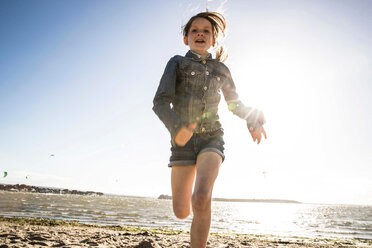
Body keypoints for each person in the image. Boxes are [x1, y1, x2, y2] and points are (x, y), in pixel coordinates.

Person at [152, 11, 266, 248]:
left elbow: (234, 104)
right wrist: (177, 128)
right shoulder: (176, 63)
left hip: (212, 139)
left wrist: (252, 118)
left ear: (214, 39)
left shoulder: (221, 69)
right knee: (182, 211)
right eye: (194, 30)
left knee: (201, 198)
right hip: (182, 143)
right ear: (186, 38)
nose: (200, 34)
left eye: (206, 31)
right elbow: (160, 101)